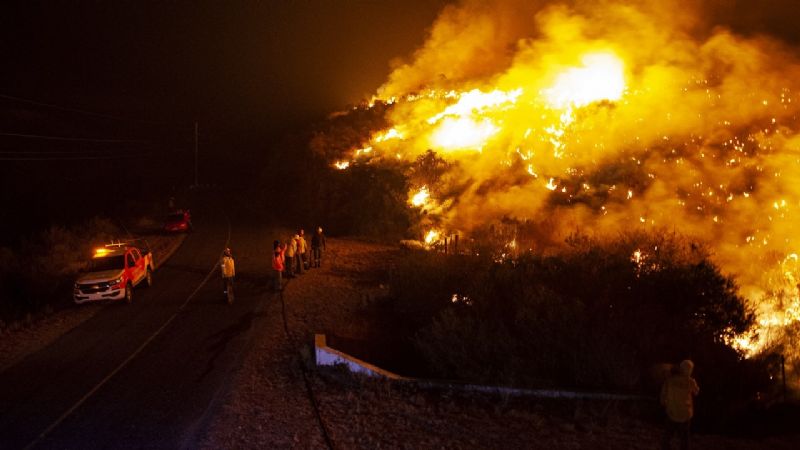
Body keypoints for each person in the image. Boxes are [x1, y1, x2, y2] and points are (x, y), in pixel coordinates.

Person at [661, 359, 700, 450]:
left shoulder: (670, 380)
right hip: (685, 414)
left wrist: (664, 403)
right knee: (684, 437)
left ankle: (665, 447)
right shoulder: (690, 382)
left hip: (672, 412)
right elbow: (696, 392)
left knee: (668, 435)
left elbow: (663, 394)